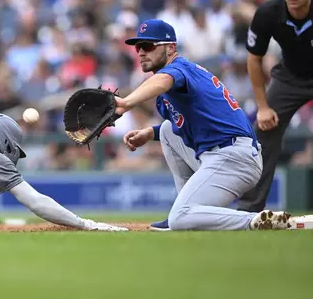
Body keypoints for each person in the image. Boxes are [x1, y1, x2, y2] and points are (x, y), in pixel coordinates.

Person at [113, 19, 293, 231]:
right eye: (139, 47)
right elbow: (184, 124)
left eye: (149, 46)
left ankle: (253, 220)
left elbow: (163, 80)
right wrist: (148, 134)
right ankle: (185, 209)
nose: (142, 52)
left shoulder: (180, 68)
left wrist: (126, 102)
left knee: (180, 218)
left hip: (234, 156)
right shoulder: (169, 90)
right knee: (166, 130)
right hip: (219, 154)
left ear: (171, 47)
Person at [237, 0, 313, 212]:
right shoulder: (269, 13)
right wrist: (262, 106)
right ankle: (249, 210)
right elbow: (254, 59)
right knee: (264, 131)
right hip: (290, 77)